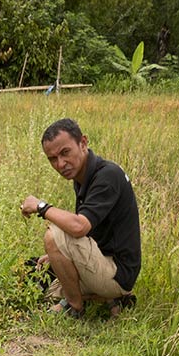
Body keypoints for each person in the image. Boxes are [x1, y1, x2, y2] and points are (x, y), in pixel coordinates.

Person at [20, 118, 141, 319]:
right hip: (105, 261)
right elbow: (95, 230)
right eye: (52, 158)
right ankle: (112, 299)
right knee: (44, 284)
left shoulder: (107, 175)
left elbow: (79, 227)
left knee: (53, 235)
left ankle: (74, 307)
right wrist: (58, 256)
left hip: (117, 272)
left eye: (65, 153)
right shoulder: (84, 175)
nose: (60, 164)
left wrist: (41, 206)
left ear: (83, 143)